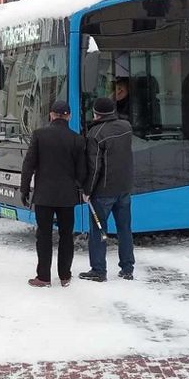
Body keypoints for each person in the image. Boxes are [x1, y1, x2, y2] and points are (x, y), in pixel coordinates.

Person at [20, 99, 87, 288]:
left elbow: (28, 165)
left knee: (44, 235)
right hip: (67, 196)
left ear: (51, 115)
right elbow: (82, 172)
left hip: (44, 196)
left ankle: (43, 277)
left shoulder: (39, 135)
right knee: (67, 235)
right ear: (69, 116)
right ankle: (65, 275)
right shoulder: (77, 139)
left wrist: (24, 189)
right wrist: (80, 188)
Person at [80, 96, 135, 281]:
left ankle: (98, 269)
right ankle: (127, 268)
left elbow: (95, 167)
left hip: (103, 192)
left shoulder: (95, 134)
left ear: (96, 113)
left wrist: (87, 190)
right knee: (124, 229)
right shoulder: (126, 127)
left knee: (98, 231)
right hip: (124, 187)